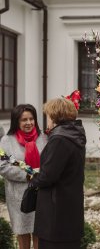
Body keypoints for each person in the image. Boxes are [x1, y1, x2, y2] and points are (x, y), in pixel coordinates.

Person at [30, 98, 86, 249]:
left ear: (55, 117)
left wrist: (33, 178)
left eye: (48, 115)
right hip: (70, 206)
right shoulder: (75, 135)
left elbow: (48, 176)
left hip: (55, 212)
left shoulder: (59, 139)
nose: (47, 119)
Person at [0, 104, 48, 249]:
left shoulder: (44, 138)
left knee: (40, 232)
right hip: (18, 196)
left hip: (41, 193)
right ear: (16, 121)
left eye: (31, 119)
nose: (28, 123)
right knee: (23, 234)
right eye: (24, 120)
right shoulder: (6, 141)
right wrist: (28, 176)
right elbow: (3, 166)